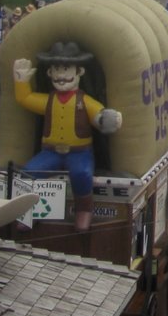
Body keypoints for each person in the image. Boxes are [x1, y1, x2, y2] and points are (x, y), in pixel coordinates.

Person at [13, 42, 123, 231]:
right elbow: (25, 99)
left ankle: (84, 209)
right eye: (57, 69)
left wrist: (107, 119)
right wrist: (21, 82)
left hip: (79, 153)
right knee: (29, 173)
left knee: (82, 174)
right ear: (49, 73)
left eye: (66, 69)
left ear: (79, 72)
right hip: (50, 152)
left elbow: (98, 115)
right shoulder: (48, 101)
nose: (61, 75)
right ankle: (34, 209)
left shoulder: (84, 101)